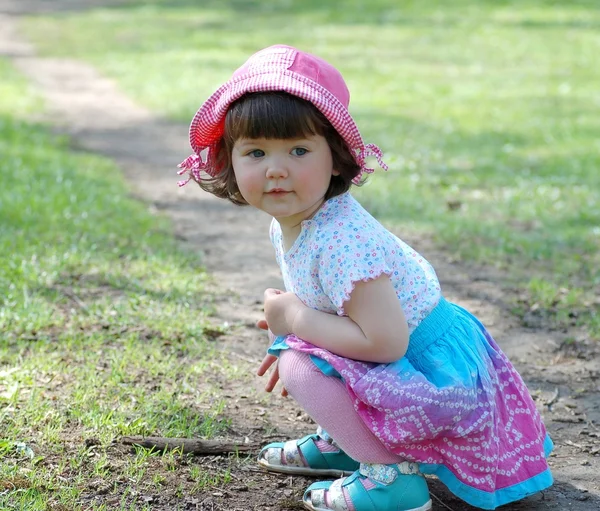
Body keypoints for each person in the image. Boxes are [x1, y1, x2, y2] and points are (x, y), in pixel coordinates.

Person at [177, 44, 553, 511]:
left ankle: (392, 480)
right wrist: (295, 322)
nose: (276, 169)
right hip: (405, 366)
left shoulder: (342, 242)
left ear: (335, 158)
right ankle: (346, 441)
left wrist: (293, 317)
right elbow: (339, 313)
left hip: (434, 376)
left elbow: (385, 344)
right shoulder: (295, 219)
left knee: (299, 362)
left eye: (298, 149)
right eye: (255, 152)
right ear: (229, 161)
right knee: (304, 348)